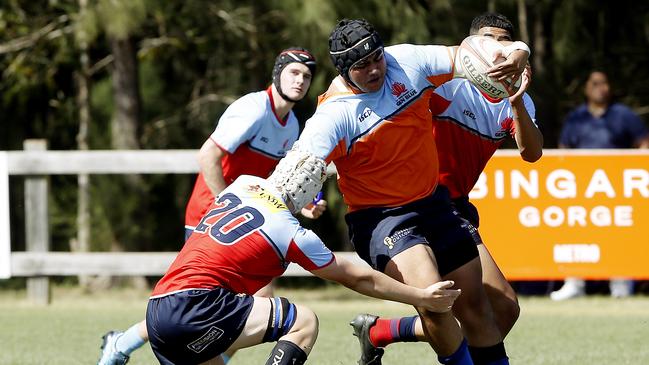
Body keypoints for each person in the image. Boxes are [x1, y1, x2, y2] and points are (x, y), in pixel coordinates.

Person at [293, 18, 530, 365]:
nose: (375, 69)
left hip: (434, 203)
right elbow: (300, 168)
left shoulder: (407, 61)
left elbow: (467, 53)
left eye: (377, 57)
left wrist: (519, 51)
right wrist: (296, 200)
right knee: (436, 299)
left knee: (481, 309)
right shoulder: (334, 113)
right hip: (382, 219)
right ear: (343, 69)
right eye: (362, 66)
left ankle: (383, 332)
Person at [97, 47, 326, 365]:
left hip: (245, 217)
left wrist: (301, 207)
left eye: (306, 76)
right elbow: (207, 156)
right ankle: (122, 343)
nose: (300, 80)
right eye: (294, 72)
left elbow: (276, 181)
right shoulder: (253, 109)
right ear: (277, 73)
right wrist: (226, 202)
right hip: (212, 214)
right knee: (203, 303)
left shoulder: (290, 126)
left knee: (227, 304)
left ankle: (124, 343)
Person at [145, 148, 462, 365]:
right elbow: (357, 277)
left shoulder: (243, 185)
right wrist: (420, 296)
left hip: (158, 307)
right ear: (309, 194)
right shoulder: (292, 233)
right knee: (303, 322)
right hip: (199, 305)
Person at [550, 70, 649, 301]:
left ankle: (621, 284)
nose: (600, 87)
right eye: (594, 83)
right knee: (577, 230)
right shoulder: (576, 117)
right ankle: (574, 282)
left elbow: (644, 143)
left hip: (616, 188)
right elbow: (563, 150)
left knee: (618, 233)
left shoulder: (624, 115)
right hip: (582, 187)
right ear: (586, 88)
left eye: (604, 83)